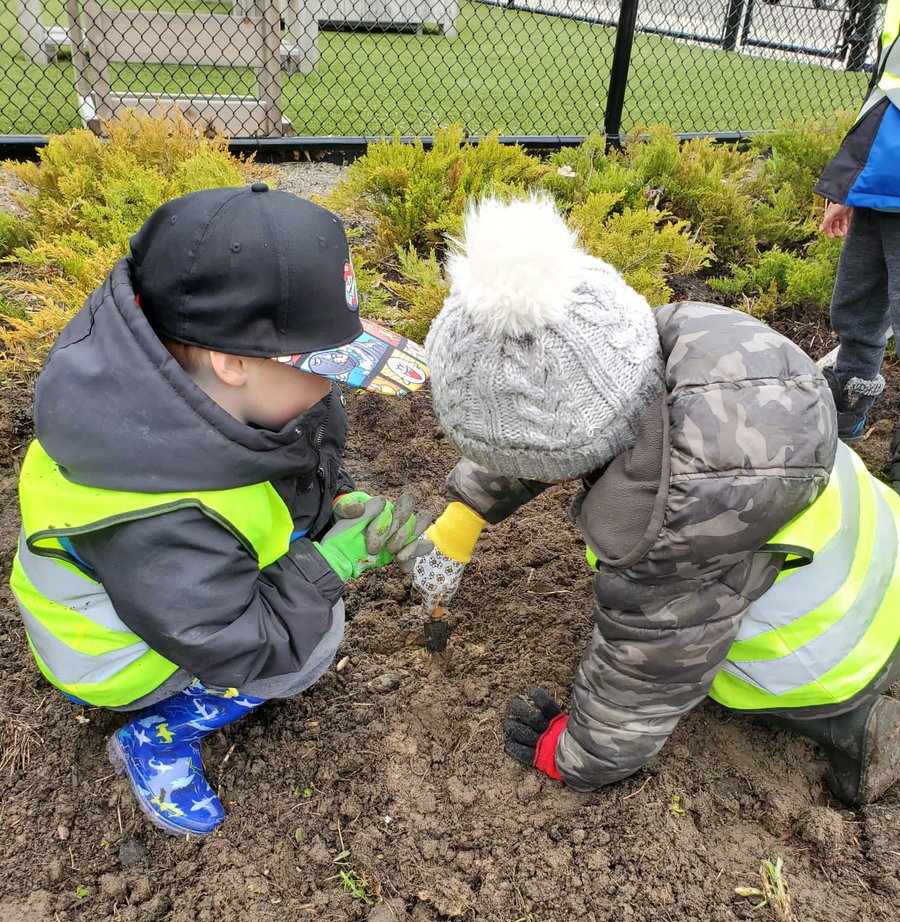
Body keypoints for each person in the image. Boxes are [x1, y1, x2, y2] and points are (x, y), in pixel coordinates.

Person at [412, 195, 900, 803]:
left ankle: (858, 729)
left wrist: (571, 756)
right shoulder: (689, 349)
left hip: (835, 648)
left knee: (790, 684)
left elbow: (645, 678)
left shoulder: (671, 539)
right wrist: (465, 512)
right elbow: (564, 418)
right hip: (884, 552)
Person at [10, 184, 432, 837]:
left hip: (179, 598)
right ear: (232, 362)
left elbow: (281, 466)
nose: (337, 385)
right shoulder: (155, 516)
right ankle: (157, 733)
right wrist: (329, 564)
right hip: (110, 658)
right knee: (312, 645)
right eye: (322, 366)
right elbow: (241, 641)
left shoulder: (200, 404)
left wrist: (337, 502)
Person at [816, 0, 900, 463]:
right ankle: (847, 408)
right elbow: (889, 95)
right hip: (887, 174)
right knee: (859, 304)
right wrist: (853, 184)